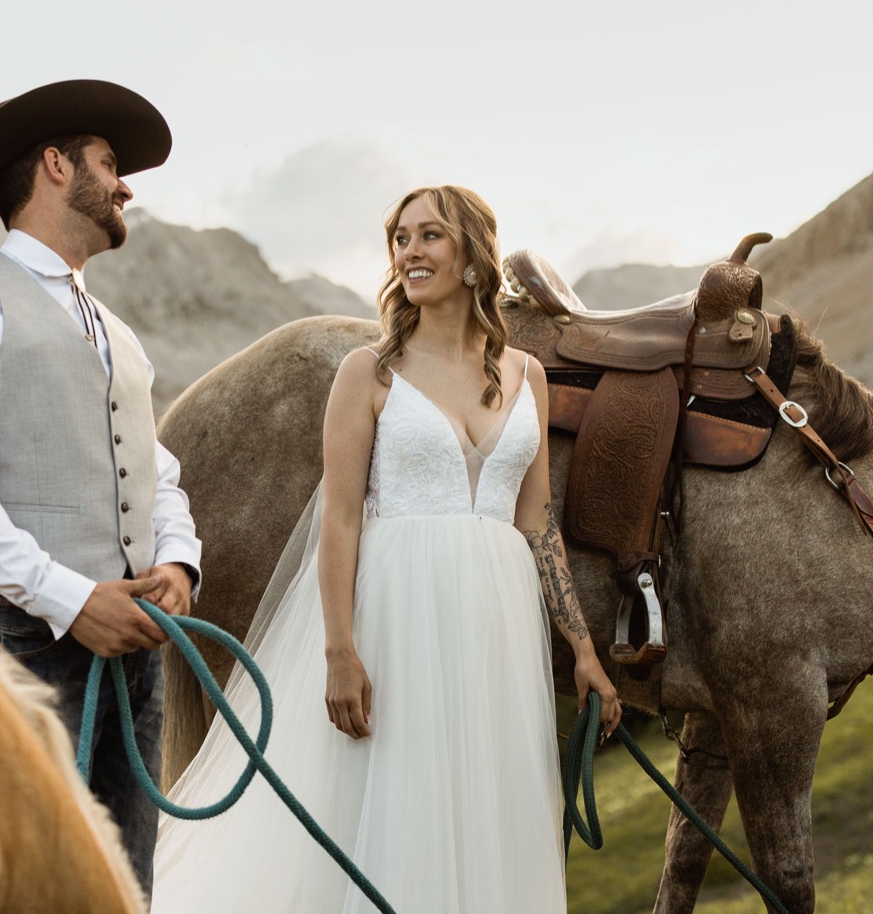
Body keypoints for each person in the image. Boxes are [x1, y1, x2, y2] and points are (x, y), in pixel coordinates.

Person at [151, 185, 621, 913]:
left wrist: (583, 650)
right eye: (401, 238)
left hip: (497, 628)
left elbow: (537, 523)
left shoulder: (528, 376)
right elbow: (339, 518)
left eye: (429, 235)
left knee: (489, 806)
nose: (409, 252)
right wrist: (339, 650)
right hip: (398, 615)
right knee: (400, 803)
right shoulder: (367, 372)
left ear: (473, 256)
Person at [0, 79, 202, 897]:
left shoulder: (118, 333)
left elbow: (157, 470)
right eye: (109, 163)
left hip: (134, 655)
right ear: (57, 166)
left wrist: (177, 561)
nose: (126, 186)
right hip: (17, 648)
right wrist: (69, 598)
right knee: (20, 889)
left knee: (126, 888)